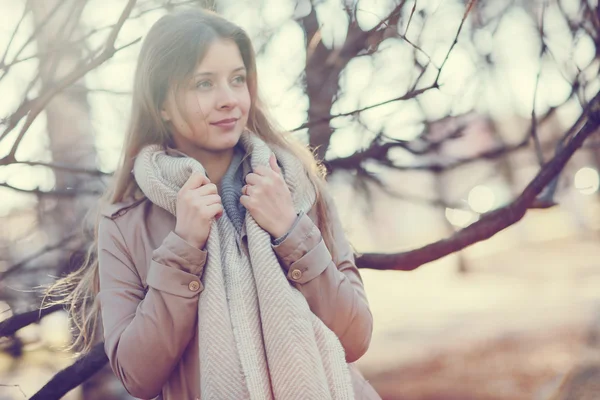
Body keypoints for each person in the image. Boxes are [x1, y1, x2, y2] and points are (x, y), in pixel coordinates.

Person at [47, 8, 380, 400]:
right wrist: (184, 247)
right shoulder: (123, 222)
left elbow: (356, 336)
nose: (229, 100)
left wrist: (291, 231)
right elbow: (139, 376)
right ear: (161, 104)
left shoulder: (298, 186)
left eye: (237, 79)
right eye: (203, 84)